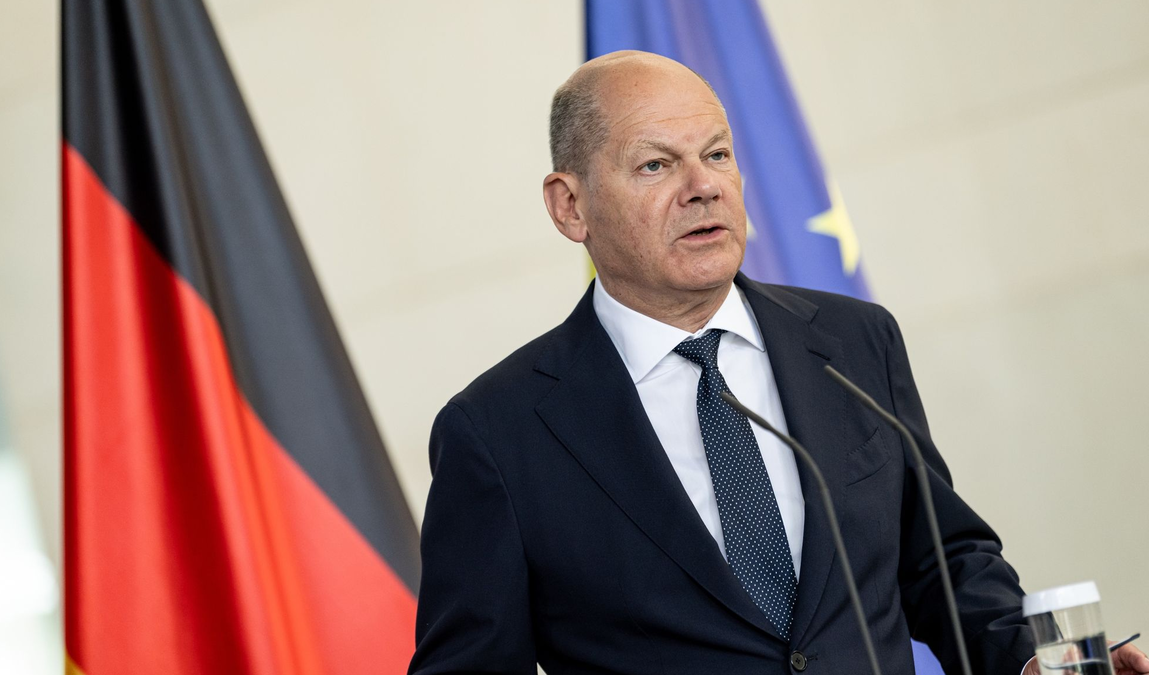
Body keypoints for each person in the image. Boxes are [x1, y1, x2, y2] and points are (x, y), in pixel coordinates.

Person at [408, 51, 1148, 675]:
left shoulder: (855, 342)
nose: (703, 186)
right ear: (571, 206)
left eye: (718, 154)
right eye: (657, 163)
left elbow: (942, 564)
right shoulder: (499, 433)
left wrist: (1030, 662)